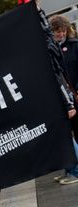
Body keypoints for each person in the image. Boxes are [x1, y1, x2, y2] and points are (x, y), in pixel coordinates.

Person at [49, 15, 78, 185]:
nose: (61, 34)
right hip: (64, 96)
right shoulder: (52, 48)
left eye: (63, 31)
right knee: (67, 133)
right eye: (58, 32)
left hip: (74, 95)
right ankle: (69, 169)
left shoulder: (74, 46)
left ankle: (74, 170)